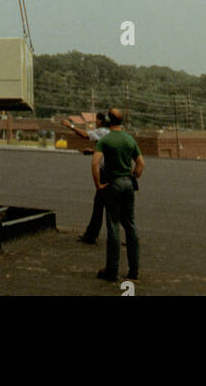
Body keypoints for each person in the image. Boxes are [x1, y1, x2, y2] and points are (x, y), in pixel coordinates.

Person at [92, 107, 144, 283]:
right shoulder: (130, 140)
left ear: (108, 120)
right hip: (128, 184)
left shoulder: (105, 140)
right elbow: (141, 164)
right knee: (130, 224)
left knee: (113, 225)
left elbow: (95, 164)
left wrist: (99, 185)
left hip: (112, 184)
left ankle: (112, 270)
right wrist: (132, 176)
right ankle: (134, 271)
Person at [64, 112, 110, 243]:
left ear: (101, 121)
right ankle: (129, 236)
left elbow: (84, 135)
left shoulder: (101, 132)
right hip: (113, 172)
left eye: (97, 120)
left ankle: (91, 235)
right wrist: (93, 151)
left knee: (100, 204)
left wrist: (70, 125)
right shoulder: (111, 133)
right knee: (109, 206)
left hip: (105, 173)